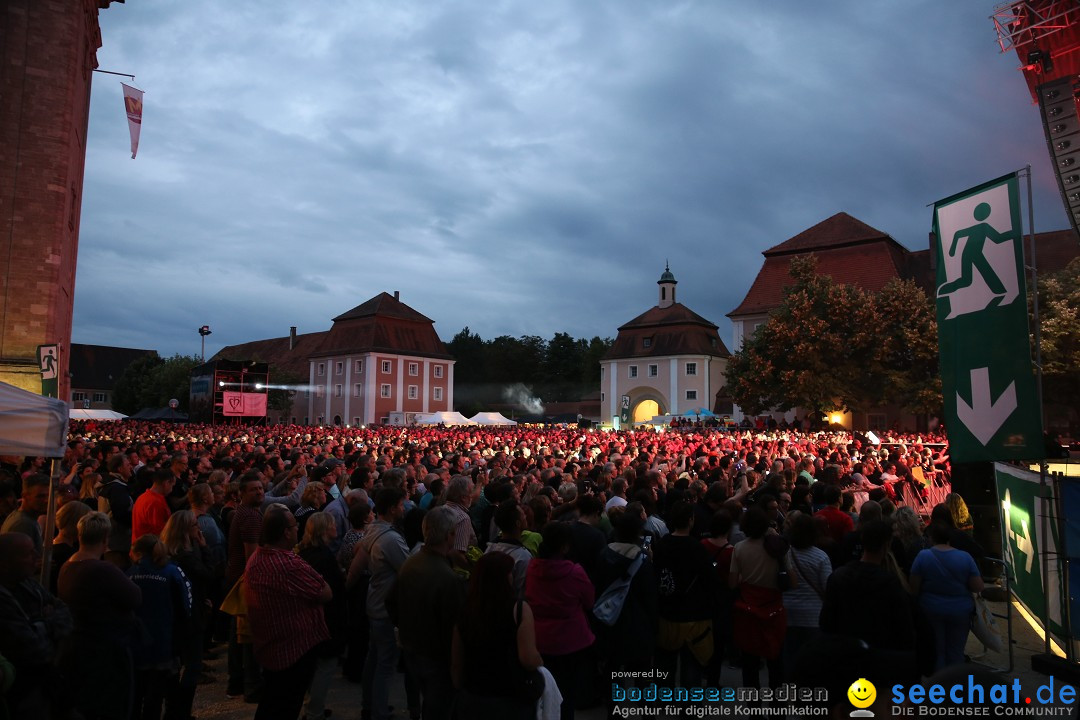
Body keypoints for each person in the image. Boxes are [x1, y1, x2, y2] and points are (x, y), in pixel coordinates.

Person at [244, 504, 332, 720]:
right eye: (294, 525)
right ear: (285, 532)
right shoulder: (286, 564)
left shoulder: (257, 558)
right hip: (293, 649)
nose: (298, 528)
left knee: (273, 701)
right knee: (286, 704)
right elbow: (325, 592)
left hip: (270, 644)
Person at [57, 511, 143, 720]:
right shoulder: (102, 569)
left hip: (80, 646)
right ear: (106, 539)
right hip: (105, 650)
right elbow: (135, 597)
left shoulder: (67, 566)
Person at [389, 506, 467, 720]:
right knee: (439, 708)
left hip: (413, 647)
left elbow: (392, 603)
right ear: (448, 535)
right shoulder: (447, 578)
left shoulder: (411, 563)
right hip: (435, 657)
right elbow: (454, 628)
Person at [452, 552, 544, 720]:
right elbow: (528, 658)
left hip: (474, 698)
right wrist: (540, 661)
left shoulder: (465, 612)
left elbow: (457, 666)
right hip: (510, 699)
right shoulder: (519, 610)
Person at [348, 487, 409, 720]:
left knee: (374, 658)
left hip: (375, 601)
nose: (403, 509)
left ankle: (369, 704)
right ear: (392, 508)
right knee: (385, 663)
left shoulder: (373, 530)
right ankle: (379, 712)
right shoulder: (390, 538)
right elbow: (407, 569)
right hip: (385, 607)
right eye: (401, 505)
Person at [525, 521, 594, 720]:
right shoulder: (575, 572)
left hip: (540, 639)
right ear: (564, 546)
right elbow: (590, 601)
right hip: (570, 641)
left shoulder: (532, 568)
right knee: (567, 694)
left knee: (543, 691)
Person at [0, 532, 73, 718]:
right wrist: (49, 624)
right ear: (6, 562)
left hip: (46, 688)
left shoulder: (29, 585)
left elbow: (64, 611)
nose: (37, 558)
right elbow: (33, 648)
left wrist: (38, 625)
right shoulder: (4, 600)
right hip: (22, 697)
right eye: (27, 554)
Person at [127, 534, 193, 720]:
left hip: (136, 643)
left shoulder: (129, 573)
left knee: (137, 694)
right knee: (158, 695)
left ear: (137, 552)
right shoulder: (172, 571)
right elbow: (185, 604)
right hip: (164, 643)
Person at [652, 500, 715, 688]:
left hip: (668, 610)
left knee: (666, 661)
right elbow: (708, 579)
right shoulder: (698, 548)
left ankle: (665, 697)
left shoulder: (662, 545)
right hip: (694, 613)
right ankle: (689, 706)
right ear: (690, 520)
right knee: (691, 664)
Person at [909, 521, 984, 672]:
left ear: (931, 538)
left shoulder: (923, 556)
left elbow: (914, 587)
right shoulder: (965, 557)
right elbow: (978, 586)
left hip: (931, 609)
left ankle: (939, 688)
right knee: (956, 651)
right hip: (960, 611)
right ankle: (954, 687)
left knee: (937, 650)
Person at [296, 512, 347, 720]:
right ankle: (314, 711)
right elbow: (331, 590)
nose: (337, 527)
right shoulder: (323, 557)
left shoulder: (307, 552)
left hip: (313, 617)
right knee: (325, 666)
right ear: (324, 530)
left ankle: (313, 706)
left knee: (315, 665)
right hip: (326, 618)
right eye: (333, 524)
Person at [729, 506, 787, 689]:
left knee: (750, 664)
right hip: (773, 609)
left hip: (748, 611)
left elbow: (731, 583)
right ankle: (777, 711)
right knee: (775, 663)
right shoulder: (777, 547)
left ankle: (754, 710)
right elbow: (792, 581)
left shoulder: (739, 548)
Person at [781, 512, 831, 677]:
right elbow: (827, 587)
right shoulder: (820, 557)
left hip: (787, 613)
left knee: (789, 661)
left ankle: (790, 697)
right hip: (812, 616)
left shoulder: (784, 553)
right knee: (811, 665)